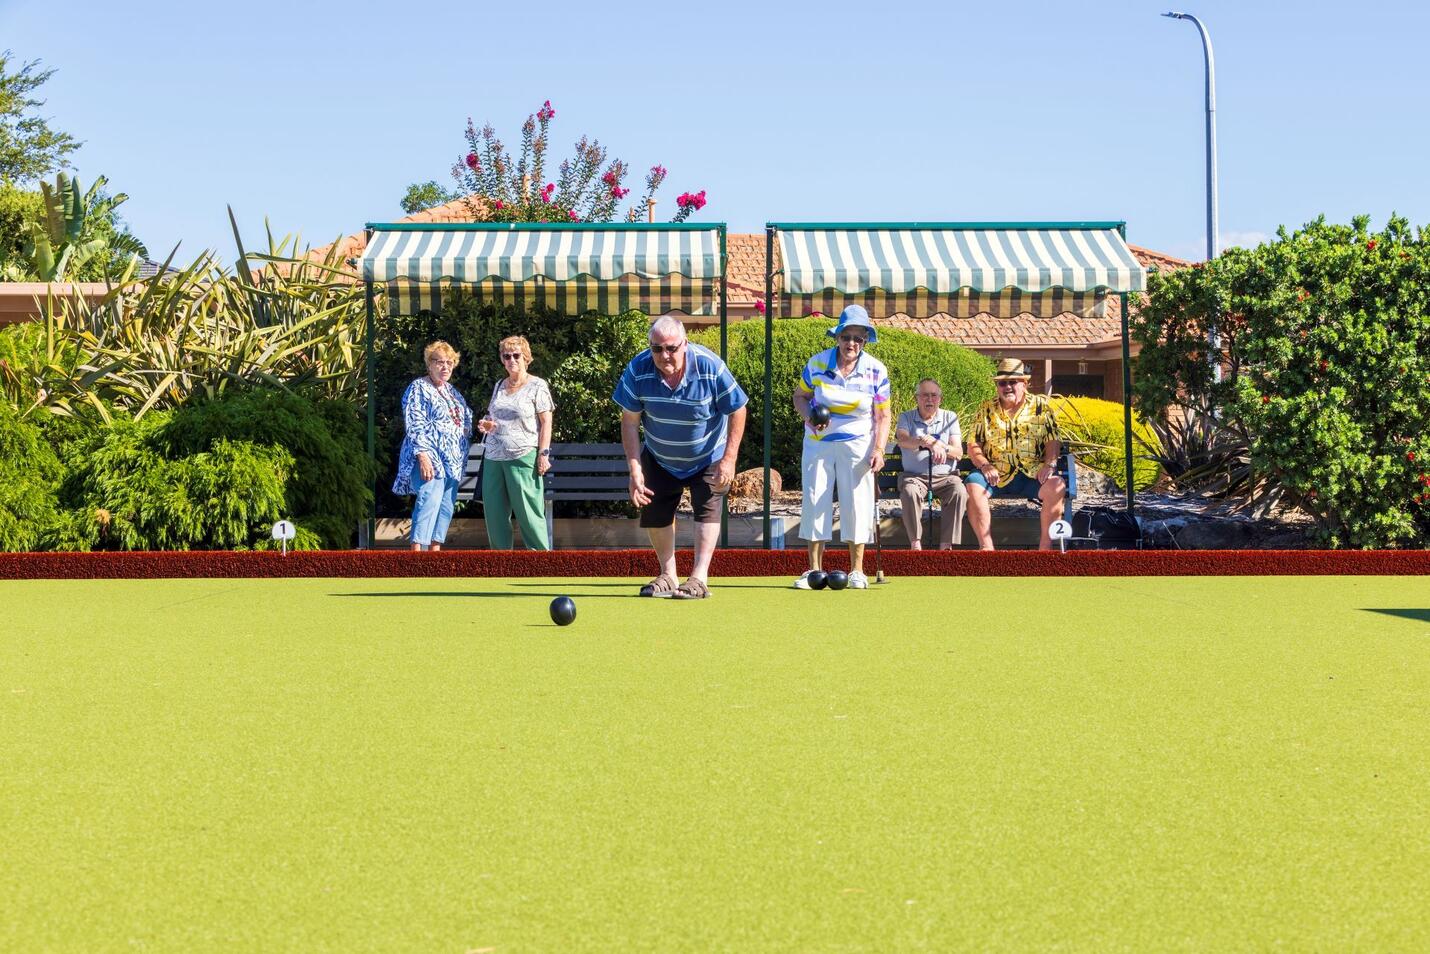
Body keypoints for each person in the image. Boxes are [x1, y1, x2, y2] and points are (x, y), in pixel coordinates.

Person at [613, 316, 748, 599]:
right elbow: (629, 421)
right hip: (660, 456)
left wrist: (729, 459)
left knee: (707, 509)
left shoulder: (710, 366)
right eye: (657, 348)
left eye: (671, 348)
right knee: (655, 509)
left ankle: (699, 578)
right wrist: (635, 469)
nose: (664, 355)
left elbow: (738, 408)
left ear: (685, 344)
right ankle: (668, 575)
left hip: (708, 455)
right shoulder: (638, 369)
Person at [792, 304, 891, 589]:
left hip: (859, 444)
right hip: (818, 444)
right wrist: (810, 417)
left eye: (858, 338)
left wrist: (879, 449)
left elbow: (883, 415)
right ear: (837, 337)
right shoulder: (817, 363)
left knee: (857, 503)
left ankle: (857, 570)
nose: (851, 343)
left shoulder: (876, 369)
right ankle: (813, 571)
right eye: (846, 337)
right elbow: (800, 397)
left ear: (865, 341)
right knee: (815, 499)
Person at [964, 358, 1067, 551]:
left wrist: (1050, 464)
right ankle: (987, 550)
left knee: (1057, 486)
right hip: (996, 473)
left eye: (1013, 382)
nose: (1007, 387)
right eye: (1002, 383)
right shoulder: (986, 408)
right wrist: (985, 465)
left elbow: (1053, 439)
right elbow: (973, 443)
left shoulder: (1040, 407)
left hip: (1032, 473)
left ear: (1024, 384)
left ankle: (1045, 550)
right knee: (973, 485)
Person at [393, 340, 473, 551]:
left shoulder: (452, 391)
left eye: (449, 362)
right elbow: (414, 421)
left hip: (453, 459)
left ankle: (435, 553)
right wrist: (422, 455)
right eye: (439, 362)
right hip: (429, 453)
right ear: (429, 364)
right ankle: (417, 552)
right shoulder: (418, 387)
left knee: (446, 505)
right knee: (429, 497)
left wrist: (475, 427)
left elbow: (466, 418)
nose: (445, 367)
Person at [478, 335, 554, 550]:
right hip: (493, 457)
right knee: (494, 515)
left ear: (526, 357)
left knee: (529, 514)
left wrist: (543, 453)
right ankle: (501, 562)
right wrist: (487, 424)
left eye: (516, 355)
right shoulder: (499, 385)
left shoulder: (537, 385)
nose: (511, 360)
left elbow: (546, 422)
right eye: (506, 356)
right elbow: (493, 416)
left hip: (523, 456)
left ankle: (541, 560)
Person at [893, 378, 967, 550]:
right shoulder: (906, 417)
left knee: (959, 491)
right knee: (910, 491)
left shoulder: (950, 417)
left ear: (940, 399)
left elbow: (958, 452)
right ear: (916, 398)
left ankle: (946, 545)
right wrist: (924, 442)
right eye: (925, 395)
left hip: (946, 477)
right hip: (915, 477)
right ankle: (915, 544)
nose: (930, 399)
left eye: (934, 395)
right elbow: (902, 440)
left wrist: (940, 446)